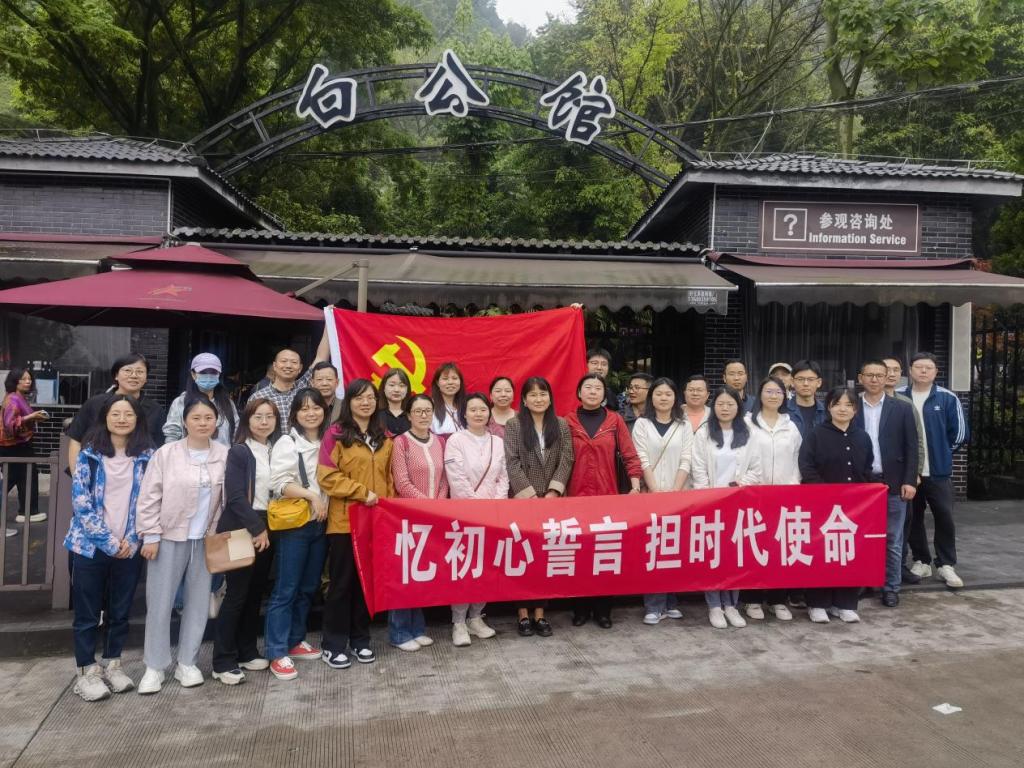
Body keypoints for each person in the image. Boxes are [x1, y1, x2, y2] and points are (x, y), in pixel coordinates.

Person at [135, 397, 229, 694]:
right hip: (168, 537)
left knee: (199, 603)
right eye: (196, 418)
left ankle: (187, 662)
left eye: (208, 418)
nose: (203, 423)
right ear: (185, 421)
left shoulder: (225, 454)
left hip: (206, 539)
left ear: (217, 422)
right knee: (160, 602)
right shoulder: (166, 454)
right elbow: (149, 496)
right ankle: (155, 666)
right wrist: (150, 535)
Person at [63, 394, 154, 701]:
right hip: (89, 546)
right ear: (105, 418)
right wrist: (109, 542)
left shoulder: (148, 457)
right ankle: (87, 671)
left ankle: (113, 664)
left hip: (129, 546)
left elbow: (150, 501)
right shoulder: (89, 455)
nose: (122, 419)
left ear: (138, 420)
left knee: (120, 611)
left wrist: (132, 539)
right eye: (116, 414)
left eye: (128, 414)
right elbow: (81, 503)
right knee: (87, 613)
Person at [317, 379, 394, 669]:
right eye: (359, 398)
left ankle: (361, 640)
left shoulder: (384, 436)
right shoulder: (335, 434)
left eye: (371, 397)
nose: (366, 402)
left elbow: (389, 479)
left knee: (366, 585)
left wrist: (389, 507)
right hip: (344, 522)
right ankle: (333, 644)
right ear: (348, 402)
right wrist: (362, 493)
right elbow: (327, 477)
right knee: (341, 584)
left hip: (375, 523)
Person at [209, 398, 279, 685]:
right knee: (236, 595)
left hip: (268, 524)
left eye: (269, 416)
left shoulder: (276, 449)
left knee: (254, 593)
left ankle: (247, 651)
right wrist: (257, 528)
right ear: (247, 420)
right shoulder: (240, 451)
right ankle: (222, 660)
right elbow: (236, 496)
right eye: (258, 416)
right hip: (242, 526)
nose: (264, 422)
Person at [565, 373, 641, 629]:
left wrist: (635, 486)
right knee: (578, 554)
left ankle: (603, 610)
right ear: (579, 393)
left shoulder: (614, 420)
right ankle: (580, 608)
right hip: (575, 497)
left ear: (604, 394)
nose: (593, 391)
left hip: (606, 497)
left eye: (598, 388)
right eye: (587, 387)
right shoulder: (567, 421)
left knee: (604, 553)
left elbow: (630, 455)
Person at [264, 389, 330, 680]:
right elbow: (279, 483)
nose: (311, 413)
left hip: (320, 524)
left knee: (308, 586)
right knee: (286, 588)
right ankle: (276, 651)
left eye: (316, 407)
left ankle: (295, 639)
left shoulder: (328, 440)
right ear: (294, 414)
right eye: (304, 409)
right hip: (295, 526)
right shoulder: (287, 442)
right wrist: (312, 496)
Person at [503, 376, 574, 637]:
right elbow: (511, 462)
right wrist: (531, 497)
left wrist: (554, 491)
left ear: (550, 398)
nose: (538, 399)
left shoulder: (561, 424)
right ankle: (522, 614)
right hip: (524, 500)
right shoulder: (513, 425)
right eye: (532, 395)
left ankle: (541, 614)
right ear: (523, 400)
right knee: (523, 556)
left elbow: (567, 458)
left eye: (543, 394)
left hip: (552, 500)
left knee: (545, 557)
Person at [798, 386, 873, 623]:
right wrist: (826, 493)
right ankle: (817, 603)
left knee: (849, 554)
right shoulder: (816, 435)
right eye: (837, 404)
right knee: (821, 553)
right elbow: (807, 467)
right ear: (829, 407)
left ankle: (845, 603)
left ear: (855, 410)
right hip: (822, 506)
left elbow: (867, 468)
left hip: (854, 507)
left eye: (848, 405)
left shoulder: (862, 436)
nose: (843, 409)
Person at [691, 387, 762, 629]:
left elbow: (756, 468)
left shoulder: (749, 432)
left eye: (730, 404)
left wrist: (740, 486)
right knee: (713, 555)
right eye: (720, 404)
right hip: (711, 504)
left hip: (738, 503)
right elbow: (698, 469)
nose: (725, 408)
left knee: (735, 555)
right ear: (714, 406)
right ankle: (714, 605)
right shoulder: (704, 433)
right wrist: (707, 496)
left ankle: (731, 605)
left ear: (738, 407)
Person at [899, 352, 969, 589]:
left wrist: (943, 453)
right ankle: (921, 560)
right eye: (919, 367)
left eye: (928, 367)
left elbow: (960, 434)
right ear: (910, 370)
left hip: (938, 472)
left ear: (936, 372)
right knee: (913, 518)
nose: (923, 371)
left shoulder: (947, 398)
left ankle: (946, 563)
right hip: (910, 472)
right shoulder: (899, 396)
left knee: (944, 517)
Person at [444, 393, 508, 646]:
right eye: (473, 409)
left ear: (489, 413)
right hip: (465, 514)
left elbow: (504, 476)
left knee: (486, 567)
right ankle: (458, 622)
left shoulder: (498, 442)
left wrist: (497, 504)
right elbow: (456, 477)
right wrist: (474, 506)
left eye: (483, 409)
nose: (478, 414)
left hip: (493, 514)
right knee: (463, 567)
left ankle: (476, 617)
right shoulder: (456, 440)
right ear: (465, 413)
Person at [853, 360, 919, 608]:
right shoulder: (850, 406)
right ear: (860, 377)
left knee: (892, 539)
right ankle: (861, 582)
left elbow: (912, 447)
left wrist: (909, 480)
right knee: (860, 536)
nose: (874, 379)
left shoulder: (901, 408)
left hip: (893, 482)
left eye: (879, 375)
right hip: (860, 484)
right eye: (869, 375)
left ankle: (890, 587)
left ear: (887, 378)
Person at [632, 377, 692, 625]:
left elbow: (686, 458)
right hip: (651, 495)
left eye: (668, 394)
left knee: (674, 549)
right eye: (658, 394)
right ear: (651, 397)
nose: (663, 398)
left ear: (675, 397)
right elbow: (642, 459)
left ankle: (670, 602)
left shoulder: (683, 424)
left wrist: (675, 490)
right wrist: (655, 491)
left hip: (678, 495)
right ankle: (653, 605)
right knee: (654, 550)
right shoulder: (642, 424)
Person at [388, 394, 446, 651]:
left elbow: (444, 479)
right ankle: (400, 632)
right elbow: (402, 482)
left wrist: (438, 505)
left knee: (422, 573)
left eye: (427, 411)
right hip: (408, 517)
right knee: (404, 574)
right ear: (409, 415)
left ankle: (418, 628)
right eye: (418, 411)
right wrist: (425, 506)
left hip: (434, 517)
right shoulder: (401, 442)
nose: (423, 415)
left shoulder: (440, 441)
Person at [743, 376, 801, 621]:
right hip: (755, 495)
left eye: (778, 392)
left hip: (784, 496)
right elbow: (741, 457)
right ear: (760, 394)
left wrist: (793, 486)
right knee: (754, 546)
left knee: (780, 547)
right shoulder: (748, 423)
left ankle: (778, 599)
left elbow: (797, 459)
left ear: (784, 396)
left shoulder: (791, 426)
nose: (773, 395)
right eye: (768, 391)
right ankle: (753, 598)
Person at [67, 353, 165, 472]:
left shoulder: (156, 410)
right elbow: (76, 441)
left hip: (140, 477)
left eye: (140, 372)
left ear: (146, 378)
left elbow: (160, 450)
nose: (134, 375)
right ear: (116, 375)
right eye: (128, 370)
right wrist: (77, 476)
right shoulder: (94, 404)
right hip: (95, 475)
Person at [882, 355, 927, 586]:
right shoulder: (858, 403)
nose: (890, 374)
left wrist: (914, 473)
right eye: (886, 369)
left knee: (901, 525)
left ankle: (898, 568)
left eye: (895, 370)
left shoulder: (905, 404)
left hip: (900, 476)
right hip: (872, 475)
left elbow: (916, 441)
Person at [246, 328, 330, 422]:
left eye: (294, 362)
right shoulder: (258, 397)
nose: (288, 366)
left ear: (300, 368)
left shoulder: (304, 387)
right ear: (274, 366)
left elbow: (321, 357)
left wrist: (330, 323)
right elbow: (249, 426)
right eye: (284, 361)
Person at [2, 368, 48, 526]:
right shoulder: (13, 399)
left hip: (20, 446)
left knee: (26, 478)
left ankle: (28, 511)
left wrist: (34, 418)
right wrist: (31, 416)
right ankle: (28, 511)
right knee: (13, 479)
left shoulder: (19, 397)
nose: (28, 381)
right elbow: (9, 425)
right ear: (15, 381)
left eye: (29, 379)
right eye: (23, 379)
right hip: (14, 447)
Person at [162, 353, 238, 446]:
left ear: (219, 374)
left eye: (213, 372)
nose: (208, 376)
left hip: (223, 455)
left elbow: (236, 433)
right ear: (193, 374)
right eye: (203, 372)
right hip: (186, 455)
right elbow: (172, 435)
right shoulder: (180, 402)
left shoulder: (227, 403)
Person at [789, 360, 826, 440]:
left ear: (819, 382)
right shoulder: (782, 410)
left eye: (811, 379)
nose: (805, 383)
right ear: (792, 382)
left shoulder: (827, 412)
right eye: (800, 379)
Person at [430, 362, 466, 435]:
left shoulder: (467, 405)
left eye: (454, 378)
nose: (450, 382)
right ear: (437, 383)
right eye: (445, 379)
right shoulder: (430, 406)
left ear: (460, 382)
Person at [378, 368, 412, 437]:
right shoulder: (374, 413)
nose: (396, 390)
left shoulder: (413, 414)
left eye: (401, 385)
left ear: (407, 390)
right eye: (392, 385)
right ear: (384, 388)